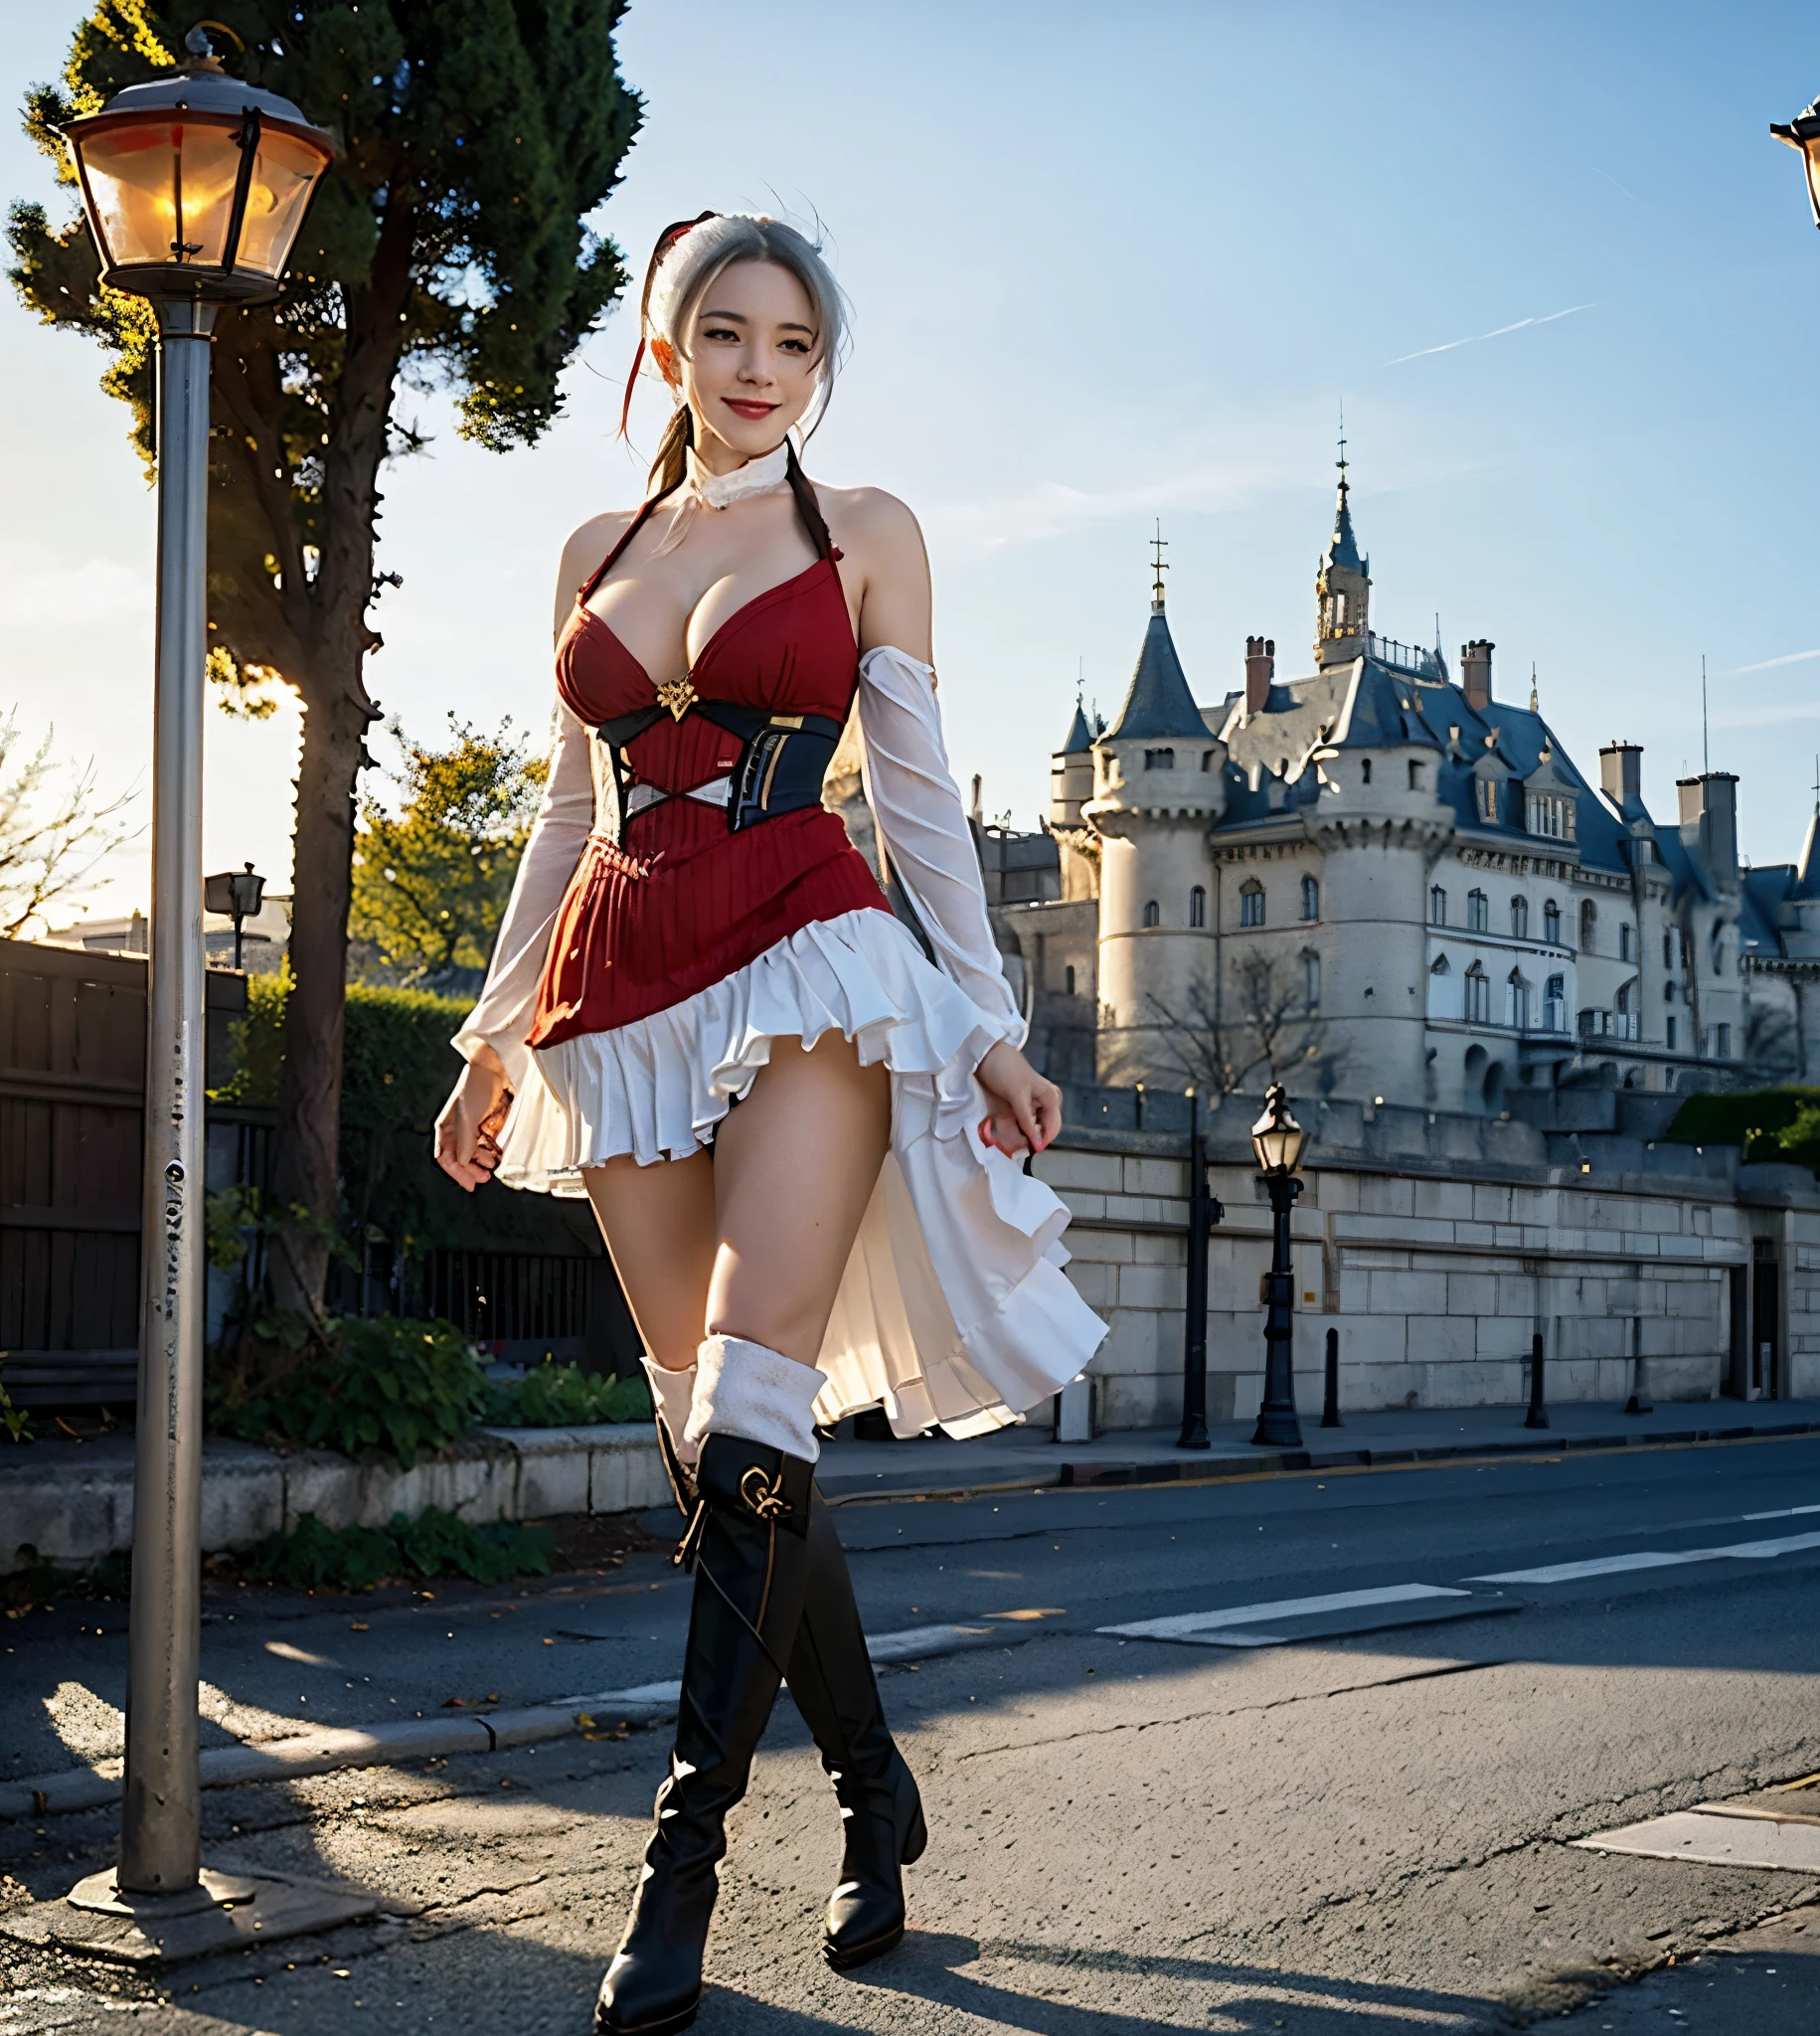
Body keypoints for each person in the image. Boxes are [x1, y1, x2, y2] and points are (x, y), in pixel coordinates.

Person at [432, 211, 1105, 2036]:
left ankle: (680, 1873)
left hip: (812, 953)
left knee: (752, 1401)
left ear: (820, 365)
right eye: (722, 333)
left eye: (792, 342)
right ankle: (875, 1783)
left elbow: (919, 807)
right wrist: (495, 1043)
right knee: (710, 1440)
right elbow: (563, 820)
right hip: (620, 980)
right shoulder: (596, 545)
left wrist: (983, 1028)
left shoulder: (865, 534)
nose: (756, 366)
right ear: (663, 348)